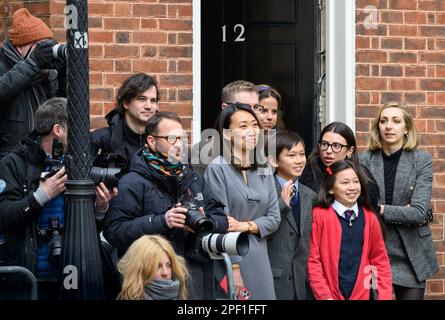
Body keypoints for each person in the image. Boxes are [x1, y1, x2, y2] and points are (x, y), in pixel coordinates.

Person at [103, 111, 228, 300]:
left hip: (197, 280)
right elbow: (114, 232)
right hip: (150, 283)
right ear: (152, 142)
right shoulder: (132, 182)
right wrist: (162, 221)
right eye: (172, 139)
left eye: (182, 138)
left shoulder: (194, 178)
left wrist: (205, 221)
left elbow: (222, 218)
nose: (179, 145)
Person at [0, 98, 114, 299]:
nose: (82, 135)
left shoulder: (79, 164)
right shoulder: (13, 163)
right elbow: (3, 217)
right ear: (58, 130)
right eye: (77, 127)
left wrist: (99, 208)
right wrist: (40, 196)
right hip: (27, 277)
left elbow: (87, 228)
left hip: (71, 274)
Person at [360, 102, 438, 300]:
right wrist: (403, 211)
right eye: (383, 121)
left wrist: (381, 209)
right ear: (378, 127)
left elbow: (419, 212)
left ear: (406, 128)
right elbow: (362, 207)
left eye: (396, 121)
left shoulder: (421, 160)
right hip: (374, 248)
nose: (389, 126)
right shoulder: (364, 160)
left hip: (410, 253)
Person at [204, 103, 281, 300]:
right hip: (230, 260)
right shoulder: (217, 168)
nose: (252, 131)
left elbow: (274, 218)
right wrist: (235, 269)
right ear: (228, 134)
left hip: (260, 259)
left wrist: (246, 225)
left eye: (254, 125)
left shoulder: (263, 168)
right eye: (243, 126)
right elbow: (223, 222)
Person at [307, 160, 392, 300]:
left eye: (356, 181)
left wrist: (384, 296)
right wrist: (325, 296)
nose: (352, 187)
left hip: (362, 294)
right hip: (330, 295)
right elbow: (313, 260)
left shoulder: (370, 218)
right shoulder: (319, 215)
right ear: (330, 188)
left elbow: (380, 261)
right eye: (345, 183)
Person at [0, 8, 66, 157]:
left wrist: (63, 76)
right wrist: (33, 63)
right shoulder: (4, 64)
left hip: (41, 157)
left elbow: (61, 110)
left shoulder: (46, 73)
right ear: (20, 46)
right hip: (7, 160)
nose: (46, 51)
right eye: (40, 45)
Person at [267, 130, 316, 300]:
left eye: (302, 154)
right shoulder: (264, 191)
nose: (299, 160)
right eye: (292, 155)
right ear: (274, 160)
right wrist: (282, 205)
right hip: (273, 280)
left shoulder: (310, 196)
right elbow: (261, 234)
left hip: (303, 282)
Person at [299, 121, 380, 214]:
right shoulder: (307, 173)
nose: (328, 151)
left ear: (350, 151)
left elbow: (372, 215)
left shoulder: (363, 177)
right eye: (324, 144)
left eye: (336, 146)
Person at [192, 80, 262, 175]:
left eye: (257, 107)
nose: (253, 113)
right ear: (225, 108)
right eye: (245, 107)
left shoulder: (262, 147)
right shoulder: (205, 152)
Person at [91, 73, 159, 169]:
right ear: (126, 103)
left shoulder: (165, 139)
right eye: (142, 99)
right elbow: (76, 177)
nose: (149, 106)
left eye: (153, 100)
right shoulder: (99, 139)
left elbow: (184, 177)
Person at [117, 235, 188, 300]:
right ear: (140, 270)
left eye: (168, 265)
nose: (165, 273)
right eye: (157, 267)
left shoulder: (181, 295)